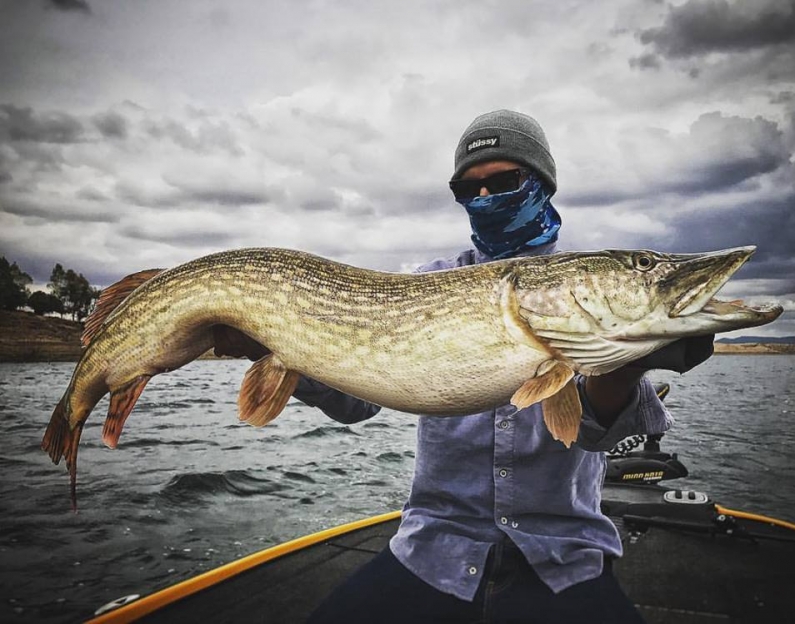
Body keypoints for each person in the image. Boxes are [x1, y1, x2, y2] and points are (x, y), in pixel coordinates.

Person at [214, 109, 714, 623]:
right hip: (435, 548)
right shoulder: (428, 282)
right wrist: (269, 345)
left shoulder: (582, 293)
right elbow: (355, 402)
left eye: (504, 181)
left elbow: (596, 433)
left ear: (542, 184)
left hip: (563, 554)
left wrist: (627, 367)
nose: (484, 198)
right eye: (467, 188)